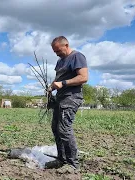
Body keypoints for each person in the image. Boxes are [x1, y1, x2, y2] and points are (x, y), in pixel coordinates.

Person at [45, 36, 88, 170]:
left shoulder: (77, 57)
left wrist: (63, 83)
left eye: (58, 50)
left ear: (66, 45)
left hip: (71, 97)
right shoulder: (60, 61)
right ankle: (61, 160)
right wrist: (51, 87)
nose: (56, 53)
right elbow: (58, 78)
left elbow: (83, 77)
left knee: (64, 129)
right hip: (60, 98)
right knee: (56, 128)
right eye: (54, 51)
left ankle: (72, 164)